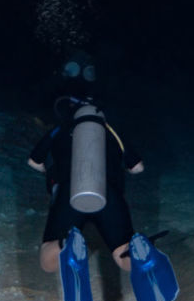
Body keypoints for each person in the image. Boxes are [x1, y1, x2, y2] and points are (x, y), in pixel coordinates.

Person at [27, 59, 145, 285]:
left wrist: (47, 167)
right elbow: (138, 168)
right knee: (122, 252)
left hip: (69, 194)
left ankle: (65, 245)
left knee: (47, 262)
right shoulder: (110, 129)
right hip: (108, 193)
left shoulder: (61, 128)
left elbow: (33, 161)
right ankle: (137, 254)